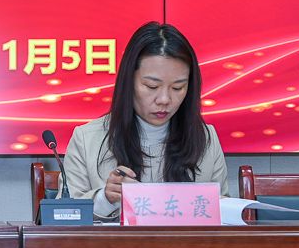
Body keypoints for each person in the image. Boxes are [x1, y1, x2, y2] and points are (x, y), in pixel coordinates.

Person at [62, 21, 228, 220]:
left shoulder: (205, 139)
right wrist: (105, 199)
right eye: (151, 86)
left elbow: (224, 215)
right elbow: (63, 217)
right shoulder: (87, 139)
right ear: (128, 82)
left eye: (178, 88)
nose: (164, 99)